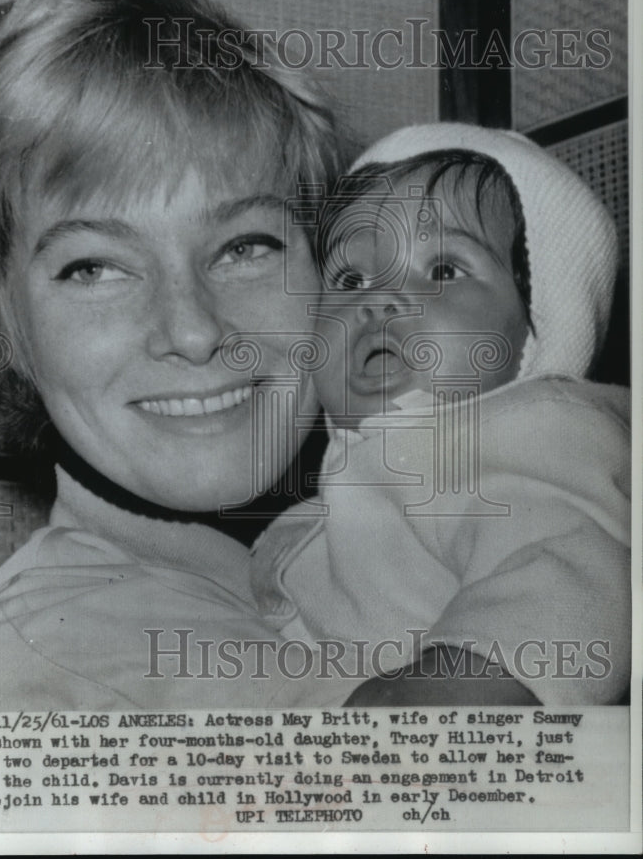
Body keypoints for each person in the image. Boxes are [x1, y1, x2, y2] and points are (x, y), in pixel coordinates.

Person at [0, 0, 350, 710]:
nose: (193, 331)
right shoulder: (22, 676)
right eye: (94, 268)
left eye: (245, 247)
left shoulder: (419, 552)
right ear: (1, 321)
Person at [251, 123, 631, 706]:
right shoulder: (317, 513)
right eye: (350, 278)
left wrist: (452, 687)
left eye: (444, 270)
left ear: (539, 327)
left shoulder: (539, 438)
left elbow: (574, 575)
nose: (378, 300)